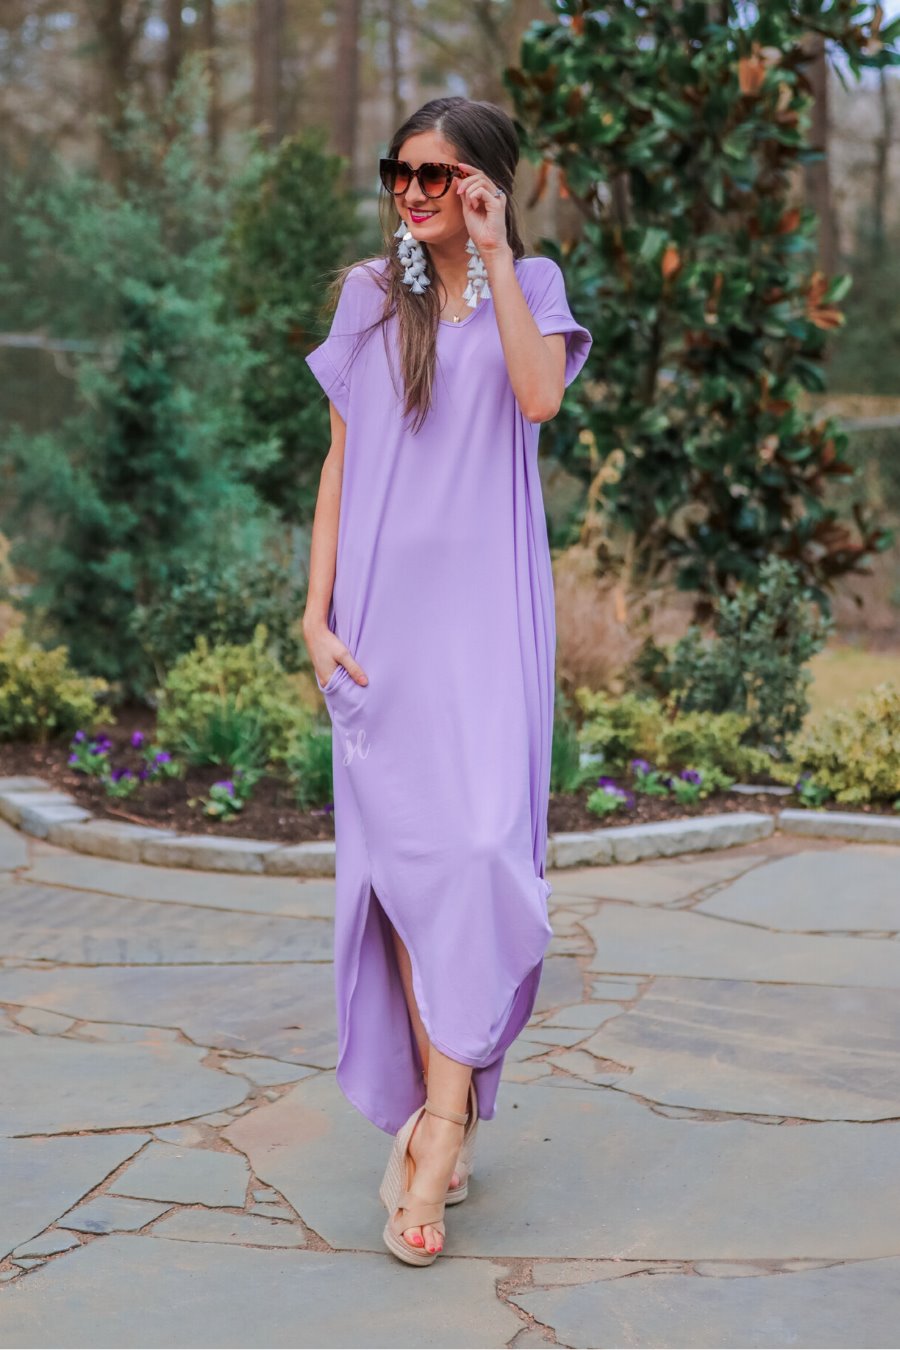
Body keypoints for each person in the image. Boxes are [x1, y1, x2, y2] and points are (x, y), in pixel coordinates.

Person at [302, 95, 593, 1267]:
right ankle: (441, 1126)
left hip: (487, 627)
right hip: (381, 629)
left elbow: (539, 397)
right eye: (402, 172)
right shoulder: (371, 295)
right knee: (407, 882)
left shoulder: (534, 283)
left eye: (440, 175)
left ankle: (437, 1130)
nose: (415, 192)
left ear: (485, 183)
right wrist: (315, 617)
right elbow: (340, 461)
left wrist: (498, 255)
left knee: (477, 859)